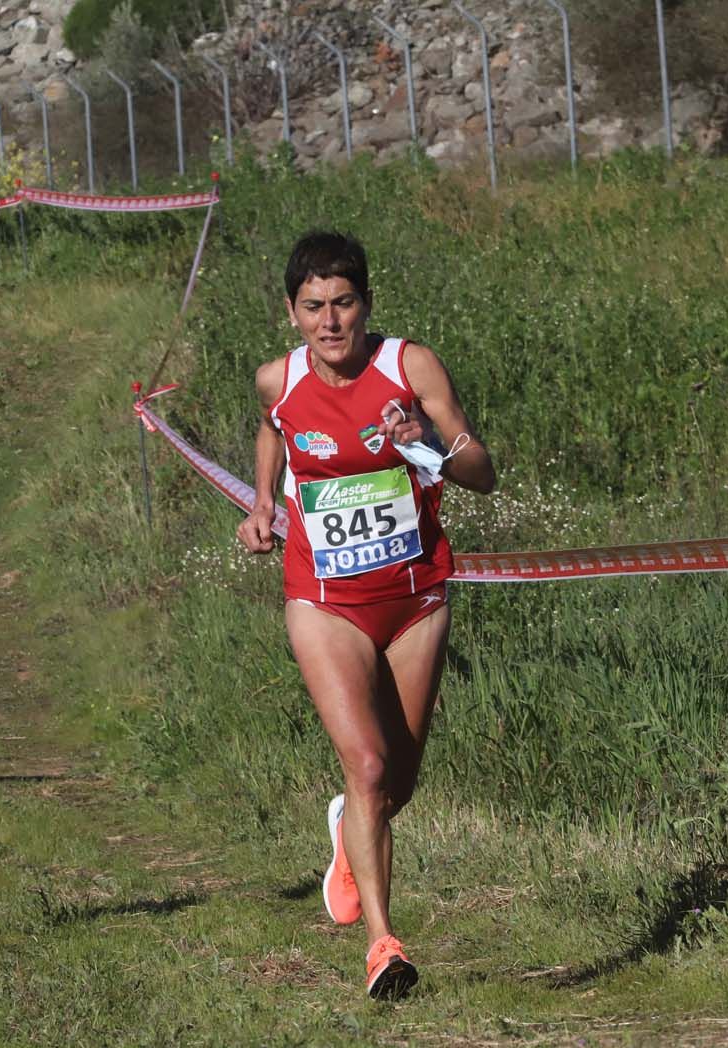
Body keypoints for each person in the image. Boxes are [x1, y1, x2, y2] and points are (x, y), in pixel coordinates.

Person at [235, 232, 496, 1001]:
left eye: (343, 303)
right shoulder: (274, 379)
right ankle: (383, 945)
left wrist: (431, 446)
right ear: (291, 311)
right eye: (313, 306)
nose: (329, 320)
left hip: (414, 600)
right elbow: (273, 430)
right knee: (370, 764)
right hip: (323, 601)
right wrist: (259, 505)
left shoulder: (408, 367)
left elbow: (483, 472)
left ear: (365, 305)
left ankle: (350, 829)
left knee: (396, 783)